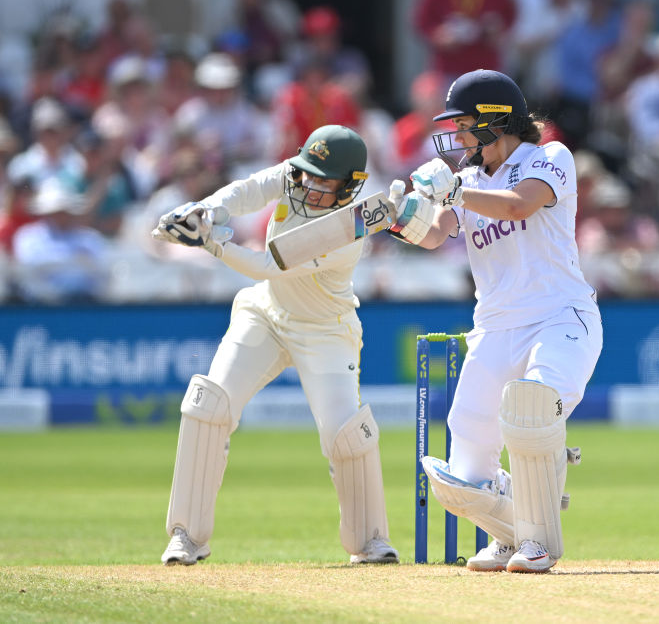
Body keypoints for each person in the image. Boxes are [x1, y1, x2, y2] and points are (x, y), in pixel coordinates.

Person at [152, 124, 398, 566]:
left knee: (344, 434)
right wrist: (204, 210)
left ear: (350, 186)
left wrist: (210, 241)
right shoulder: (297, 173)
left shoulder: (349, 230)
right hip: (265, 315)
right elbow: (247, 191)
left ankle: (369, 540)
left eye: (323, 181)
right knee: (209, 403)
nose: (308, 186)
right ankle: (188, 536)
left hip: (325, 330)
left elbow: (271, 265)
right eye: (307, 173)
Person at [390, 69, 602, 573]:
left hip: (559, 318)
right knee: (461, 474)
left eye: (464, 126)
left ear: (495, 121)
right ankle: (511, 534)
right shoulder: (467, 179)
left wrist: (454, 193)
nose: (457, 138)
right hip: (493, 329)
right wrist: (393, 215)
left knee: (531, 409)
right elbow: (433, 235)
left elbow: (519, 204)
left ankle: (539, 543)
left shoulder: (550, 157)